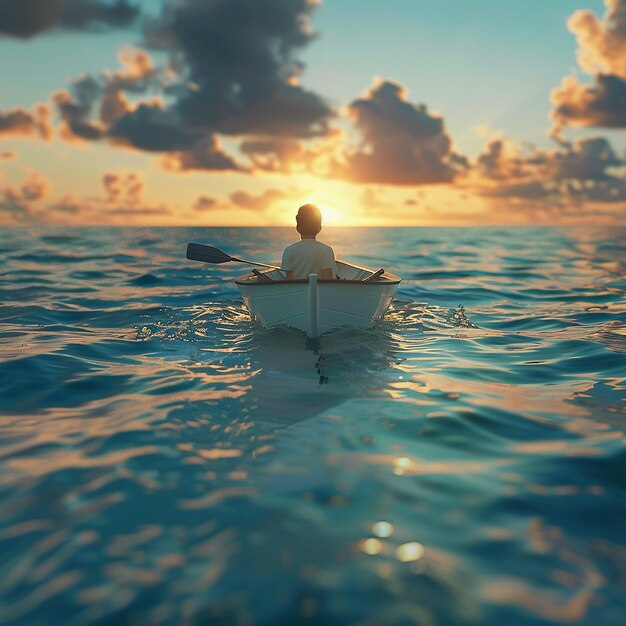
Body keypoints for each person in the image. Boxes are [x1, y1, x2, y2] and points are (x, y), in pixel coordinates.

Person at [281, 204, 336, 280]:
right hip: (319, 291)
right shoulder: (326, 250)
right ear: (319, 228)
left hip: (297, 291)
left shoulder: (289, 250)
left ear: (297, 228)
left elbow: (288, 280)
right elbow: (328, 278)